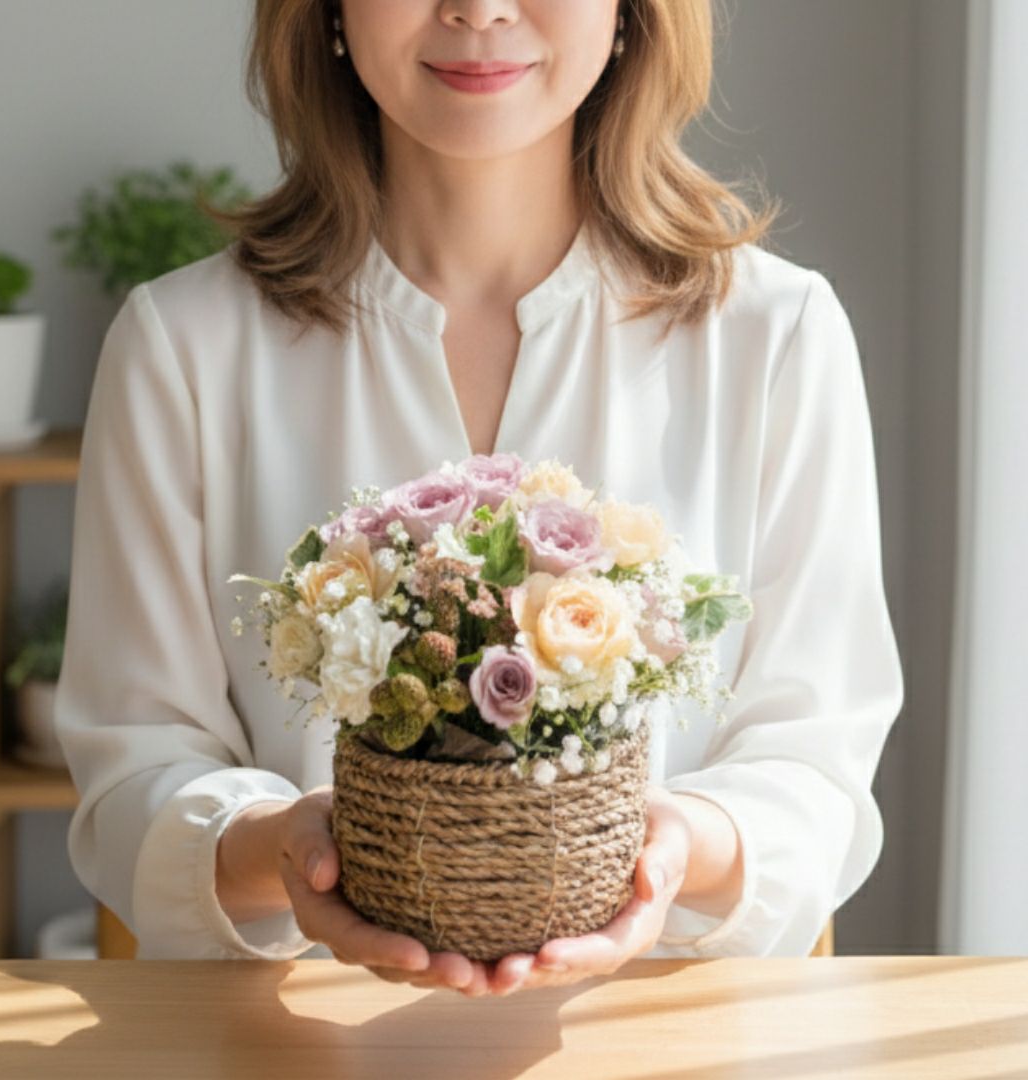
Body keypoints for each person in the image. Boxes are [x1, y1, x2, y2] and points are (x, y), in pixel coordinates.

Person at [54, 0, 904, 998]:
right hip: (297, 1044)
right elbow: (133, 777)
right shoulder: (181, 349)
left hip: (668, 1035)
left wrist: (678, 848)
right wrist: (281, 846)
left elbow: (815, 767)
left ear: (633, 14)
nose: (480, 8)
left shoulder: (776, 337)